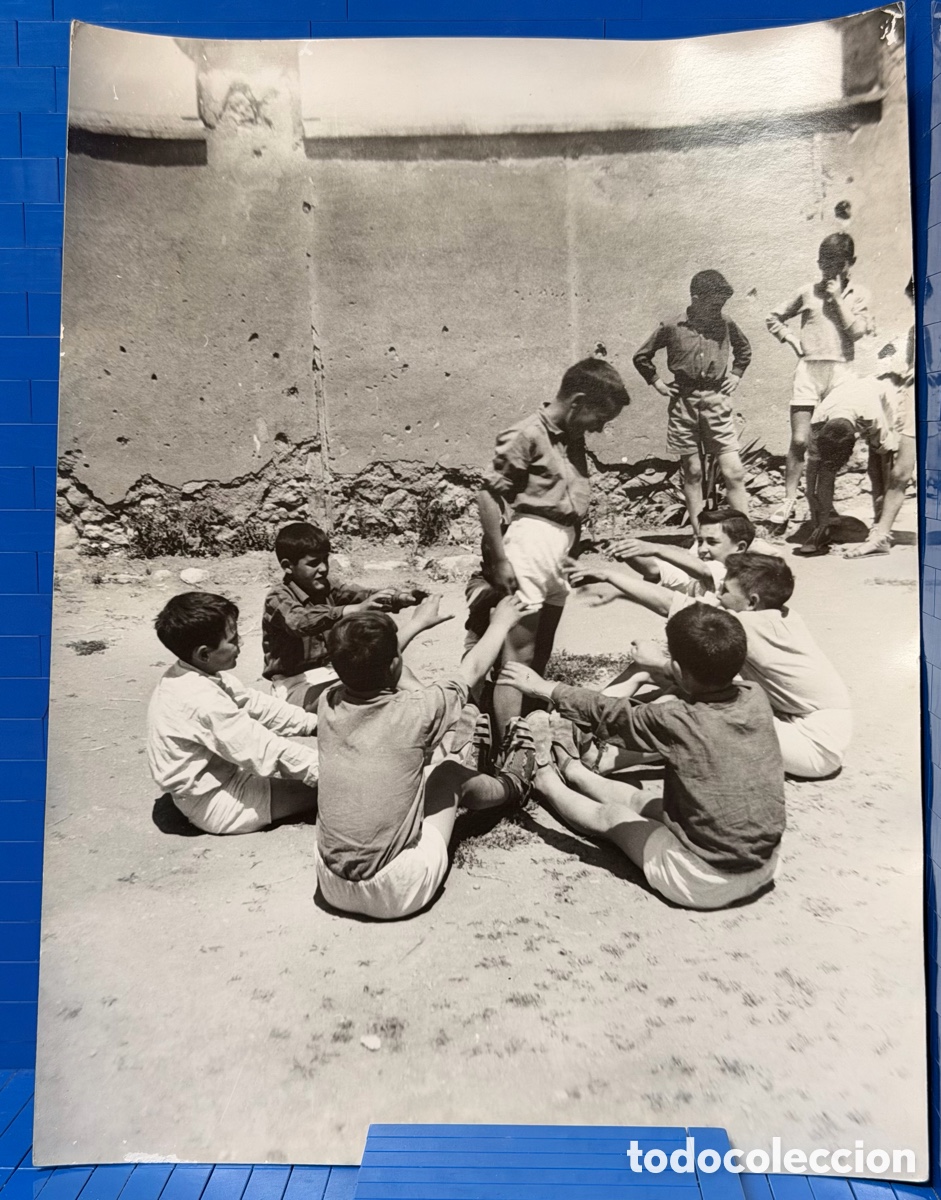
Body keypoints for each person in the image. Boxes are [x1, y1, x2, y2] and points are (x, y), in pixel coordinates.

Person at [499, 603, 785, 911]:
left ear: (677, 669)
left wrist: (546, 688)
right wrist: (665, 664)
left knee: (612, 817)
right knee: (646, 804)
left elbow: (612, 715)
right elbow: (699, 682)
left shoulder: (677, 720)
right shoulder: (754, 696)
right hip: (765, 864)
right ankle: (577, 772)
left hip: (703, 879)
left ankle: (546, 781)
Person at [313, 593, 536, 920]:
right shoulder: (416, 711)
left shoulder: (327, 702)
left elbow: (364, 663)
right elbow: (472, 668)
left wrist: (415, 625)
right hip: (396, 889)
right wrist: (501, 622)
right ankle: (513, 785)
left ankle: (464, 749)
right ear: (394, 665)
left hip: (331, 882)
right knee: (446, 774)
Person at [568, 551, 851, 780]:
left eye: (725, 591)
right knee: (665, 675)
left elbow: (670, 603)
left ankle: (605, 759)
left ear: (751, 602)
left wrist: (608, 575)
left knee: (702, 705)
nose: (717, 596)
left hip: (814, 744)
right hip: (790, 718)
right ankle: (582, 722)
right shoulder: (774, 614)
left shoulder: (751, 625)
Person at [476, 357, 630, 754]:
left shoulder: (570, 435)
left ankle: (528, 727)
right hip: (530, 543)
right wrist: (499, 560)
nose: (600, 428)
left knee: (542, 648)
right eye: (600, 417)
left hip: (561, 547)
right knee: (518, 654)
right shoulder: (526, 433)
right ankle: (510, 748)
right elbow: (488, 495)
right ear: (578, 401)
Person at [147, 591, 320, 835]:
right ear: (204, 653)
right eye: (233, 639)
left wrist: (314, 724)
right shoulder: (200, 698)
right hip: (213, 802)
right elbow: (262, 749)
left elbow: (254, 704)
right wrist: (330, 770)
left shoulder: (194, 673)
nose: (239, 644)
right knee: (329, 790)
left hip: (220, 775)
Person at [766, 232, 873, 528]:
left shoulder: (859, 294)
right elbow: (773, 317)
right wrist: (791, 340)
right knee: (800, 440)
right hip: (809, 370)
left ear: (850, 263)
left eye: (837, 264)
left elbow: (856, 332)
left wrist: (838, 298)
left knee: (828, 444)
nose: (829, 271)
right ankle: (788, 500)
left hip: (842, 373)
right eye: (824, 263)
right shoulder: (806, 291)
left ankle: (825, 503)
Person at [632, 270, 752, 532]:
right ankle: (701, 538)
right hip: (683, 404)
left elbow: (744, 350)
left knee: (733, 471)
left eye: (722, 305)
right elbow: (641, 357)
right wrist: (658, 384)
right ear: (696, 299)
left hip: (717, 402)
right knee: (693, 472)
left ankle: (745, 536)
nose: (719, 309)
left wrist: (736, 374)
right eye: (714, 304)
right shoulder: (672, 326)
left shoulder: (726, 323)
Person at [262, 521, 425, 710]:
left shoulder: (327, 587)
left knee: (399, 673)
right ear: (288, 566)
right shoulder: (277, 597)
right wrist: (352, 609)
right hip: (295, 687)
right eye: (313, 563)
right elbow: (299, 621)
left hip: (335, 674)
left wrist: (398, 598)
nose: (323, 568)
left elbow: (363, 595)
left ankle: (435, 710)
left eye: (325, 559)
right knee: (361, 691)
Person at [844, 277, 917, 558]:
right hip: (919, 397)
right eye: (916, 299)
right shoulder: (916, 328)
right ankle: (881, 536)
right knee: (900, 471)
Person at [794, 372, 900, 556]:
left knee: (878, 467)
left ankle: (880, 526)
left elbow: (887, 457)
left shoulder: (873, 416)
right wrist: (818, 519)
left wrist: (884, 495)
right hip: (843, 401)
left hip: (882, 398)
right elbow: (813, 479)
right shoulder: (818, 422)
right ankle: (823, 528)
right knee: (820, 479)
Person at [609, 507, 757, 599]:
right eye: (700, 542)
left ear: (739, 548)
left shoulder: (736, 574)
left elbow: (705, 571)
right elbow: (654, 569)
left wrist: (656, 548)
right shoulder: (698, 578)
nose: (702, 549)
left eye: (712, 542)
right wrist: (625, 551)